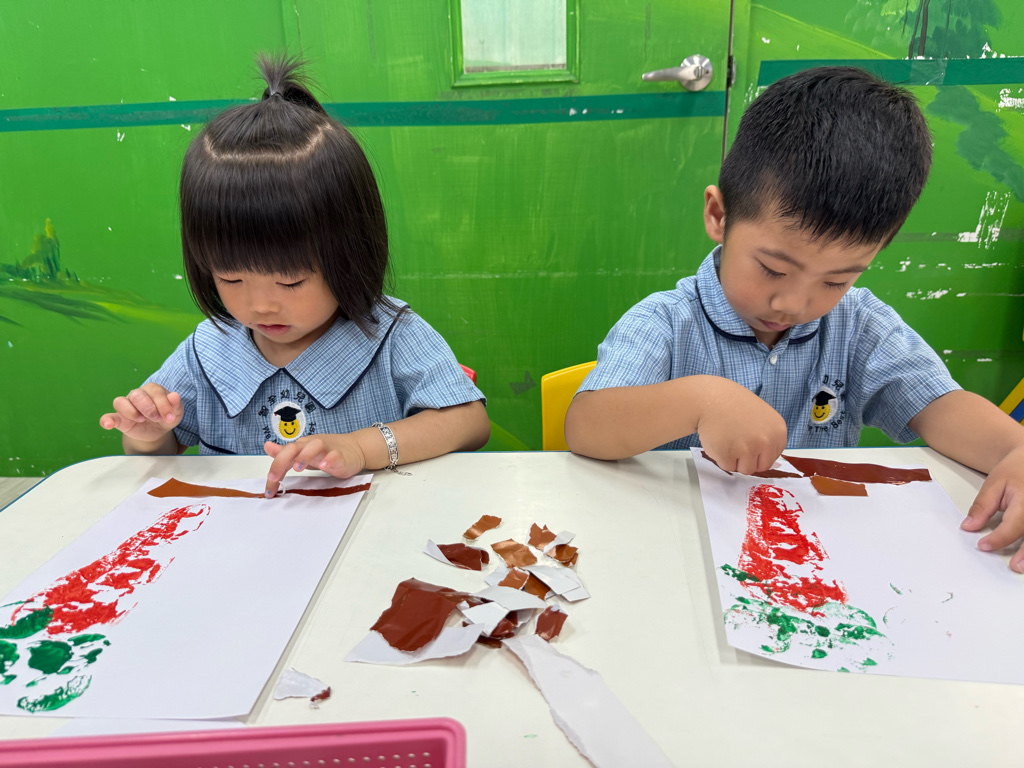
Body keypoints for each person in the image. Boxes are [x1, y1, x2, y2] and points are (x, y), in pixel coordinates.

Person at [564, 66, 1024, 571]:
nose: (793, 304)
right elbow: (586, 425)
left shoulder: (859, 326)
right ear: (719, 215)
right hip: (673, 559)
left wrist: (1016, 449)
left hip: (809, 559)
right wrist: (701, 401)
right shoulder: (668, 322)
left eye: (836, 281)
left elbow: (942, 406)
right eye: (773, 269)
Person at [100, 55, 490, 495]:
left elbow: (469, 422)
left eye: (290, 282)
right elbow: (160, 451)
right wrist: (147, 435)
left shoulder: (390, 335)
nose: (260, 305)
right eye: (230, 279)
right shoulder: (209, 349)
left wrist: (360, 447)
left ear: (351, 253)